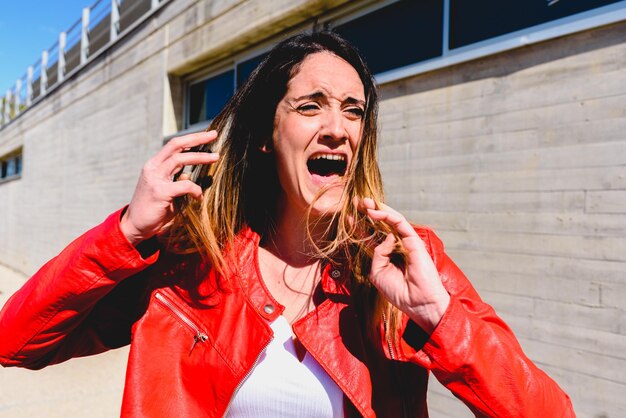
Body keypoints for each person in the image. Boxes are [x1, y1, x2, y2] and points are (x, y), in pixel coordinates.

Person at [0, 31, 574, 417]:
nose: (337, 127)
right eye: (311, 105)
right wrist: (125, 232)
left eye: (353, 110)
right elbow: (16, 340)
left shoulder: (407, 262)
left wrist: (439, 318)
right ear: (263, 139)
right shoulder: (191, 260)